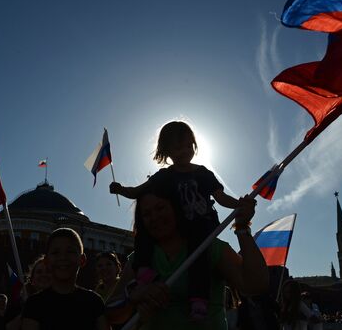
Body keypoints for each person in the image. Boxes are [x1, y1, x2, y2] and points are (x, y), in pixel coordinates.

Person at [109, 121, 256, 320]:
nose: (185, 151)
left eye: (188, 146)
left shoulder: (203, 173)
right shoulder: (164, 176)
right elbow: (139, 191)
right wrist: (121, 189)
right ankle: (144, 270)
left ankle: (199, 300)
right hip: (179, 225)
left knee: (199, 259)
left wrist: (238, 204)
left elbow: (220, 196)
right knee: (143, 234)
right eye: (178, 148)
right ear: (166, 151)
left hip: (202, 226)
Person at [106, 191, 268, 330]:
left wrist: (242, 227)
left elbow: (255, 285)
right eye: (146, 214)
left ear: (177, 209)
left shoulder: (210, 247)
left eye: (160, 208)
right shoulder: (139, 258)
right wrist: (133, 296)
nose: (154, 217)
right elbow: (110, 314)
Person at [21, 228, 109, 330]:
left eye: (70, 251)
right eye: (55, 252)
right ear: (46, 261)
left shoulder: (94, 302)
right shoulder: (34, 304)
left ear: (82, 260)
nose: (63, 257)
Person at [5, 256, 50, 330]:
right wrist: (28, 309)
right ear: (32, 279)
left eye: (48, 271)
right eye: (39, 272)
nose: (44, 274)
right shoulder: (18, 305)